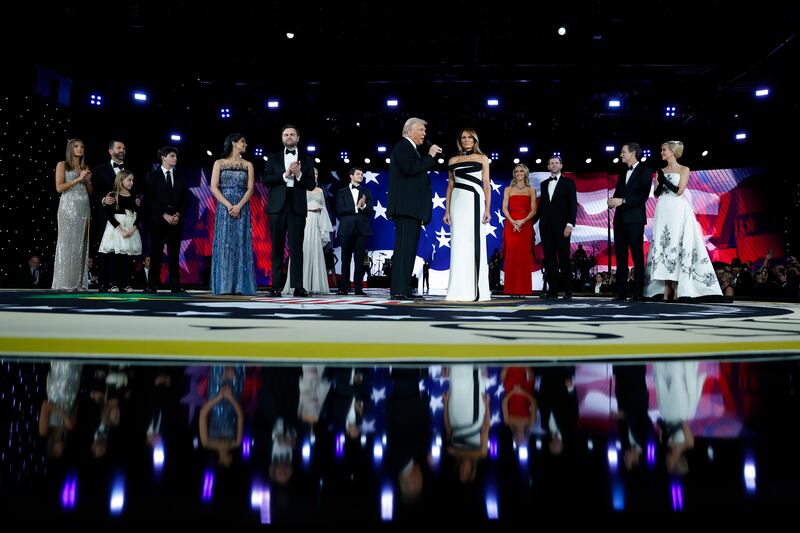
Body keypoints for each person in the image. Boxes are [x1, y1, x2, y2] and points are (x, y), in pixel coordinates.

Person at [643, 141, 723, 300]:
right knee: (663, 246)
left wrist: (665, 181)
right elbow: (657, 193)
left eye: (664, 150)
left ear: (672, 151)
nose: (661, 152)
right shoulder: (660, 170)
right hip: (663, 208)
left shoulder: (684, 169)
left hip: (677, 208)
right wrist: (659, 180)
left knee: (677, 244)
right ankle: (666, 288)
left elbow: (679, 191)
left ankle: (679, 286)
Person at [386, 117, 441, 299]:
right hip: (406, 209)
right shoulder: (403, 146)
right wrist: (430, 155)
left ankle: (405, 288)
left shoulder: (412, 149)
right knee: (403, 250)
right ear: (409, 131)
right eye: (421, 130)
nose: (424, 134)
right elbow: (411, 169)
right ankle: (399, 290)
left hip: (412, 210)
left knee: (409, 250)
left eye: (424, 131)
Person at [262, 125, 317, 297]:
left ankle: (298, 287)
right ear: (282, 138)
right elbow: (266, 180)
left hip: (297, 208)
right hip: (277, 208)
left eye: (292, 134)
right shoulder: (273, 158)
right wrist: (285, 175)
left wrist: (299, 174)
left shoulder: (307, 160)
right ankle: (276, 286)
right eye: (286, 134)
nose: (289, 137)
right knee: (277, 248)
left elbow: (311, 185)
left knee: (296, 248)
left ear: (298, 138)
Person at [443, 128, 491, 301]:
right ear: (459, 141)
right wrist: (447, 210)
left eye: (469, 137)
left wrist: (487, 209)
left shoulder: (482, 158)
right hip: (457, 201)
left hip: (475, 201)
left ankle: (476, 290)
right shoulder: (453, 160)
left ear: (475, 140)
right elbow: (450, 185)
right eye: (463, 137)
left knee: (473, 242)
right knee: (458, 243)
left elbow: (486, 184)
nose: (466, 140)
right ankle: (456, 289)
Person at [210, 133, 257, 296]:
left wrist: (239, 206)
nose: (246, 144)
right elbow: (214, 187)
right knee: (225, 245)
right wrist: (229, 205)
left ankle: (240, 286)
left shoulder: (248, 165)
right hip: (225, 209)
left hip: (242, 208)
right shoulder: (219, 163)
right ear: (234, 143)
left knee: (240, 244)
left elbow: (250, 188)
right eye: (243, 141)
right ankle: (224, 285)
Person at [608, 142, 652, 301]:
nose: (621, 155)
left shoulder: (645, 171)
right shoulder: (622, 172)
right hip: (619, 219)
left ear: (633, 153)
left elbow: (643, 196)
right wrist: (613, 201)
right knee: (620, 256)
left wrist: (623, 201)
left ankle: (638, 292)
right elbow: (618, 193)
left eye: (623, 152)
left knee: (637, 255)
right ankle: (621, 292)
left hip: (635, 220)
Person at [145, 146, 188, 293]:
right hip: (158, 221)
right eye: (172, 156)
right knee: (155, 253)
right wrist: (164, 215)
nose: (175, 158)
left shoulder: (181, 176)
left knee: (174, 254)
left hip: (175, 222)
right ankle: (152, 285)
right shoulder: (152, 175)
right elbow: (150, 200)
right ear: (163, 157)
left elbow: (185, 199)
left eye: (176, 156)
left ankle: (175, 285)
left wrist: (178, 214)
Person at [52, 138, 93, 291]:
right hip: (68, 208)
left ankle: (80, 282)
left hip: (84, 208)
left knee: (82, 245)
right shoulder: (62, 165)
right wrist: (78, 179)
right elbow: (59, 187)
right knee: (67, 244)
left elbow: (90, 192)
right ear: (70, 149)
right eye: (76, 146)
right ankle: (66, 282)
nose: (80, 149)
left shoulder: (85, 167)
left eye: (82, 146)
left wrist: (88, 181)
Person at [284, 167, 333, 295]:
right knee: (302, 251)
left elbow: (323, 209)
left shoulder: (320, 190)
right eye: (313, 173)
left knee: (314, 251)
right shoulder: (299, 188)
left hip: (316, 222)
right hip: (303, 221)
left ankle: (314, 284)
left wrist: (320, 211)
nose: (315, 175)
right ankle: (299, 285)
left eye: (317, 173)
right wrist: (311, 207)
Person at [538, 156, 577, 299]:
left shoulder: (569, 183)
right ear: (548, 167)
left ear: (561, 165)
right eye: (551, 163)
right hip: (546, 227)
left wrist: (570, 225)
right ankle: (552, 291)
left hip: (562, 228)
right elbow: (542, 206)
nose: (554, 165)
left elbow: (573, 205)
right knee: (549, 260)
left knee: (564, 259)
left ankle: (568, 291)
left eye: (556, 163)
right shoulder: (544, 184)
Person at [93, 139, 130, 292]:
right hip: (106, 216)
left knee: (124, 250)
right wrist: (103, 199)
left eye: (124, 148)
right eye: (119, 147)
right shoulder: (100, 170)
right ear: (110, 151)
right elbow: (93, 192)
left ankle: (123, 283)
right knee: (106, 249)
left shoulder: (130, 170)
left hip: (126, 216)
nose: (122, 150)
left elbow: (136, 190)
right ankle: (104, 283)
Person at [444, 365, 490, 483]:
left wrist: (445, 403)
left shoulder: (453, 451)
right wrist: (487, 405)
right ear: (472, 470)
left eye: (461, 471)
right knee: (474, 376)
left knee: (456, 379)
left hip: (455, 412)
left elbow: (448, 428)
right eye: (466, 472)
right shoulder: (481, 453)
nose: (463, 469)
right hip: (474, 412)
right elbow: (485, 428)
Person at [97, 170, 141, 292]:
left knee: (127, 258)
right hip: (116, 230)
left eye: (132, 180)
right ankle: (114, 284)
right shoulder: (113, 195)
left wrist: (133, 229)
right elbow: (109, 215)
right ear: (121, 181)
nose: (131, 183)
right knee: (114, 258)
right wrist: (120, 229)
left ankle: (126, 284)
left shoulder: (135, 196)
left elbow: (139, 215)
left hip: (130, 229)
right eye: (129, 180)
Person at [336, 167, 373, 295]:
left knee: (359, 260)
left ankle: (358, 288)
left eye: (362, 174)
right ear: (351, 176)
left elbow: (370, 211)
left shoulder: (366, 192)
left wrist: (363, 206)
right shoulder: (342, 192)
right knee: (345, 259)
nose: (361, 176)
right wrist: (356, 207)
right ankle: (344, 287)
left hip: (362, 230)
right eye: (358, 174)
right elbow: (340, 210)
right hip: (346, 229)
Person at [502, 163, 537, 297]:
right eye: (516, 171)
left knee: (523, 258)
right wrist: (512, 221)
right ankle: (511, 290)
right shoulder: (508, 189)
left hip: (525, 224)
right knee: (511, 257)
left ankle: (523, 290)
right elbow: (505, 208)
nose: (519, 173)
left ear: (525, 173)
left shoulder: (531, 190)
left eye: (521, 171)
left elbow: (534, 210)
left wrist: (521, 221)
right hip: (511, 224)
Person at [199, 366, 245, 467]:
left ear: (220, 461)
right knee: (238, 364)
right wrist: (231, 397)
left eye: (228, 463)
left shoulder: (206, 442)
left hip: (216, 395)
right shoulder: (236, 442)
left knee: (218, 364)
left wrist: (219, 397)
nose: (231, 460)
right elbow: (240, 417)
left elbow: (203, 415)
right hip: (233, 396)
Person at [39, 361, 82, 458]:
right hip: (72, 388)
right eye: (61, 451)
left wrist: (64, 417)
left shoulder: (44, 431)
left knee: (64, 363)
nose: (61, 449)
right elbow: (76, 403)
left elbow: (45, 405)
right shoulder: (67, 429)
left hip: (57, 390)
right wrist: (72, 418)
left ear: (51, 447)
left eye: (57, 451)